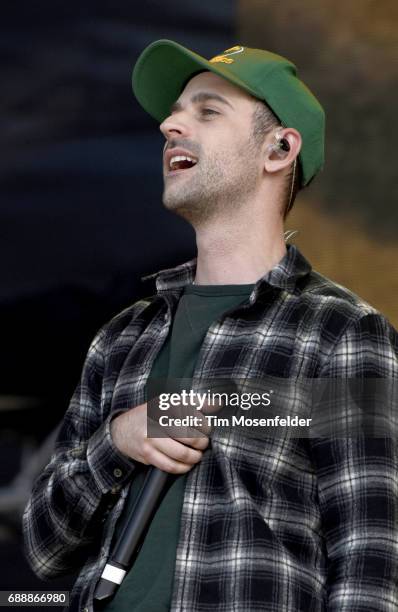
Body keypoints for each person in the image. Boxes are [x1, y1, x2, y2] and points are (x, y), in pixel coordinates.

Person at [23, 40, 398, 611]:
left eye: (207, 110)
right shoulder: (122, 337)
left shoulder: (343, 333)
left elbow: (373, 561)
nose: (170, 125)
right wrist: (119, 441)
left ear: (278, 149)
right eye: (174, 113)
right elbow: (44, 548)